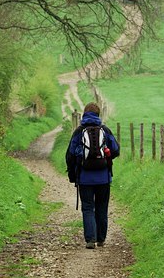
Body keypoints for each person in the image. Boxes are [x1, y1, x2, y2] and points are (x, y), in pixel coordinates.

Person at [66, 102, 120, 249]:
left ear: (84, 114)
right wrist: (104, 157)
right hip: (103, 178)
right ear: (98, 114)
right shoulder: (105, 130)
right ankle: (101, 239)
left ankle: (91, 240)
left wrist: (72, 175)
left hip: (85, 178)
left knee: (88, 208)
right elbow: (116, 150)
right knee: (102, 206)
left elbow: (70, 155)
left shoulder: (79, 131)